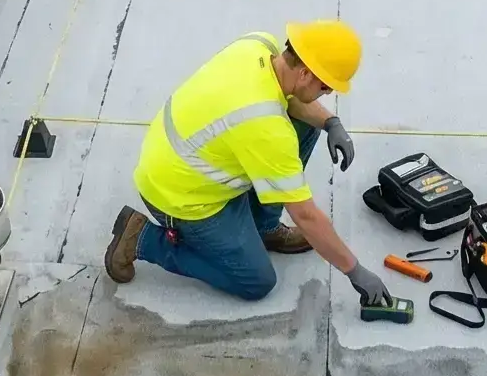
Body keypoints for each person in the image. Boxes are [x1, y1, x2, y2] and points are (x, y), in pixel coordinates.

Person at [107, 21, 394, 311]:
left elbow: (290, 98)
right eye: (325, 86)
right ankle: (142, 238)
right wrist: (354, 271)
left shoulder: (259, 45)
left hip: (177, 157)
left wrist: (331, 122)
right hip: (179, 197)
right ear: (305, 73)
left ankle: (264, 228)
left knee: (308, 124)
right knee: (256, 280)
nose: (328, 93)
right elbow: (306, 216)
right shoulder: (266, 127)